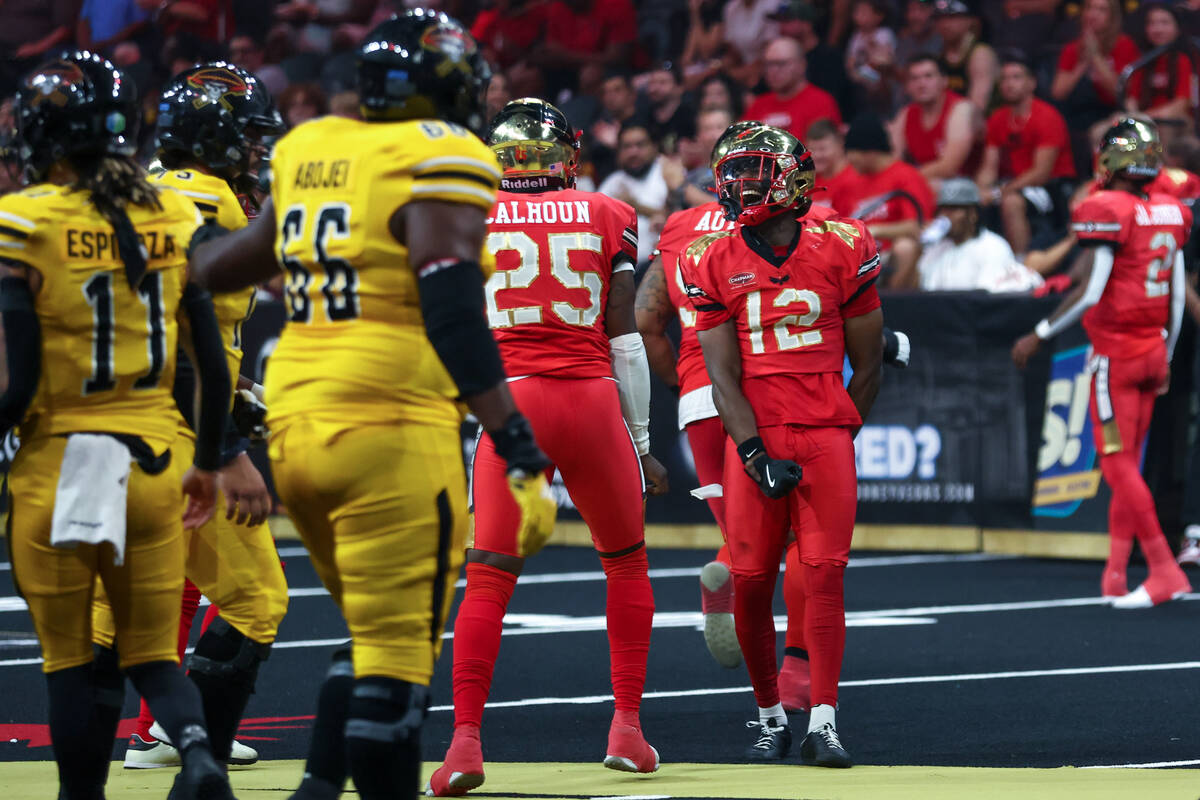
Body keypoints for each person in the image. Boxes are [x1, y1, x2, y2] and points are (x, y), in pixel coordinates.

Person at [187, 11, 558, 799]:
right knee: (398, 656)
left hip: (295, 429)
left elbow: (219, 267)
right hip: (390, 424)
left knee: (368, 634)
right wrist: (515, 437)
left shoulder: (308, 146)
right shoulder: (444, 152)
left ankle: (317, 786)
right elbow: (451, 302)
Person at [0, 51, 236, 800]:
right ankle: (196, 748)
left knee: (70, 657)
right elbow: (208, 360)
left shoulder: (25, 221)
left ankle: (82, 797)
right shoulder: (171, 214)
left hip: (65, 459)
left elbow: (21, 377)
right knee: (152, 653)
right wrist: (211, 454)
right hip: (158, 457)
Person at [427, 97, 667, 797]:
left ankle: (464, 742)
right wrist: (644, 442)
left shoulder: (471, 214)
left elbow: (452, 324)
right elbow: (625, 335)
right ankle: (626, 728)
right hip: (591, 400)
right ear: (564, 154)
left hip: (512, 403)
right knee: (625, 564)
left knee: (491, 576)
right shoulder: (606, 213)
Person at [92, 62, 290, 771]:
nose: (257, 150)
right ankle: (190, 739)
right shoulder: (204, 201)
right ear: (218, 138)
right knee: (257, 599)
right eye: (248, 136)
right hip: (172, 428)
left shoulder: (143, 187)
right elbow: (182, 333)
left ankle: (134, 748)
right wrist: (227, 445)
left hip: (113, 424)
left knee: (110, 616)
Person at [682, 125, 884, 766]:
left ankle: (823, 720)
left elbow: (870, 363)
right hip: (757, 434)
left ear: (794, 176)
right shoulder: (708, 255)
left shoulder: (844, 243)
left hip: (824, 431)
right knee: (747, 583)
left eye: (755, 171)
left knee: (824, 575)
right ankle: (770, 715)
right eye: (732, 172)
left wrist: (841, 435)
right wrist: (752, 454)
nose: (740, 184)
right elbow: (722, 376)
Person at [1012, 118, 1193, 609]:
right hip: (1154, 350)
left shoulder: (1106, 208)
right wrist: (1169, 353)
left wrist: (1039, 333)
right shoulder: (1171, 210)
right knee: (1128, 463)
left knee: (1116, 466)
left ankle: (1162, 569)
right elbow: (1176, 295)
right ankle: (1114, 575)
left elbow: (1091, 290)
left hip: (1117, 354)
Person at [977, 55, 1076, 257]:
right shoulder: (998, 118)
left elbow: (1041, 173)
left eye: (1016, 77)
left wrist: (997, 193)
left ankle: (1020, 264)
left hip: (1052, 188)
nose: (1008, 84)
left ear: (1032, 83)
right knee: (970, 199)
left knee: (1011, 201)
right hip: (1015, 184)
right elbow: (988, 168)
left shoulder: (1047, 116)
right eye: (1004, 79)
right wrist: (979, 191)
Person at [840, 113, 935, 289]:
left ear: (870, 151)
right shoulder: (850, 181)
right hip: (858, 257)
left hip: (889, 256)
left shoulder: (906, 176)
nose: (848, 159)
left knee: (906, 247)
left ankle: (893, 304)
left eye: (851, 152)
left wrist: (875, 230)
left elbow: (917, 226)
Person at [917, 178, 1044, 292]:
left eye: (954, 209)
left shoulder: (993, 247)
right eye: (943, 209)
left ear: (973, 214)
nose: (946, 215)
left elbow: (984, 300)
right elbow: (918, 291)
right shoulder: (934, 248)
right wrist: (917, 247)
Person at [1051, 0, 1139, 130]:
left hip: (1110, 112)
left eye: (1101, 10)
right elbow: (1057, 93)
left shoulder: (1124, 45)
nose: (1093, 14)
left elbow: (1119, 92)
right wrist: (1082, 65)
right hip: (1077, 113)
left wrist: (1096, 56)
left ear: (1112, 17)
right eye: (1089, 8)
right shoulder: (1072, 48)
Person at [892, 54, 978, 188]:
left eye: (928, 76)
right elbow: (891, 161)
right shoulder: (905, 114)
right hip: (924, 182)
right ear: (907, 86)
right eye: (914, 79)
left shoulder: (961, 109)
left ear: (944, 81)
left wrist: (904, 178)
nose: (921, 84)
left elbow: (949, 167)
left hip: (967, 187)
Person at [743, 38, 842, 141]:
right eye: (768, 64)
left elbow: (825, 150)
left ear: (802, 65)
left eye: (781, 64)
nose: (773, 71)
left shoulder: (821, 102)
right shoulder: (758, 104)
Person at [598, 123, 670, 263]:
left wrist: (633, 206)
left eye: (640, 145)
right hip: (621, 267)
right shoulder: (613, 182)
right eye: (627, 147)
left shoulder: (666, 172)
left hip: (658, 264)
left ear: (654, 147)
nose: (633, 152)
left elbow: (679, 216)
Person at [1125, 3, 1197, 124]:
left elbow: (1181, 105)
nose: (1158, 29)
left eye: (1164, 23)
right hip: (1144, 122)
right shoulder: (1143, 61)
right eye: (1152, 23)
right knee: (1105, 129)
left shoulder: (1186, 59)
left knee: (1163, 130)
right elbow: (1131, 100)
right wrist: (1133, 116)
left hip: (1177, 124)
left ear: (1177, 28)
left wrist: (1144, 117)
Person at [934, 0, 998, 113]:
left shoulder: (980, 54)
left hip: (977, 124)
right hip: (947, 121)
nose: (946, 24)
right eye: (941, 18)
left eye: (953, 18)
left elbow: (977, 107)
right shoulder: (938, 55)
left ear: (969, 21)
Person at [807, 119, 859, 213]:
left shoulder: (854, 178)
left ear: (840, 145)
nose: (817, 155)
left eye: (822, 149)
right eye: (812, 149)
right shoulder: (809, 181)